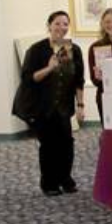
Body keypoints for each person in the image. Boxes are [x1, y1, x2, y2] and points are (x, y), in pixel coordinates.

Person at [18, 11, 85, 196]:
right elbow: (28, 79)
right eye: (57, 23)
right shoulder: (36, 50)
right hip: (42, 107)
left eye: (65, 24)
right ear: (49, 25)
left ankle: (66, 179)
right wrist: (49, 68)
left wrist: (80, 105)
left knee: (66, 143)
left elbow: (79, 80)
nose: (61, 28)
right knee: (48, 145)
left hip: (64, 106)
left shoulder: (74, 49)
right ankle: (49, 183)